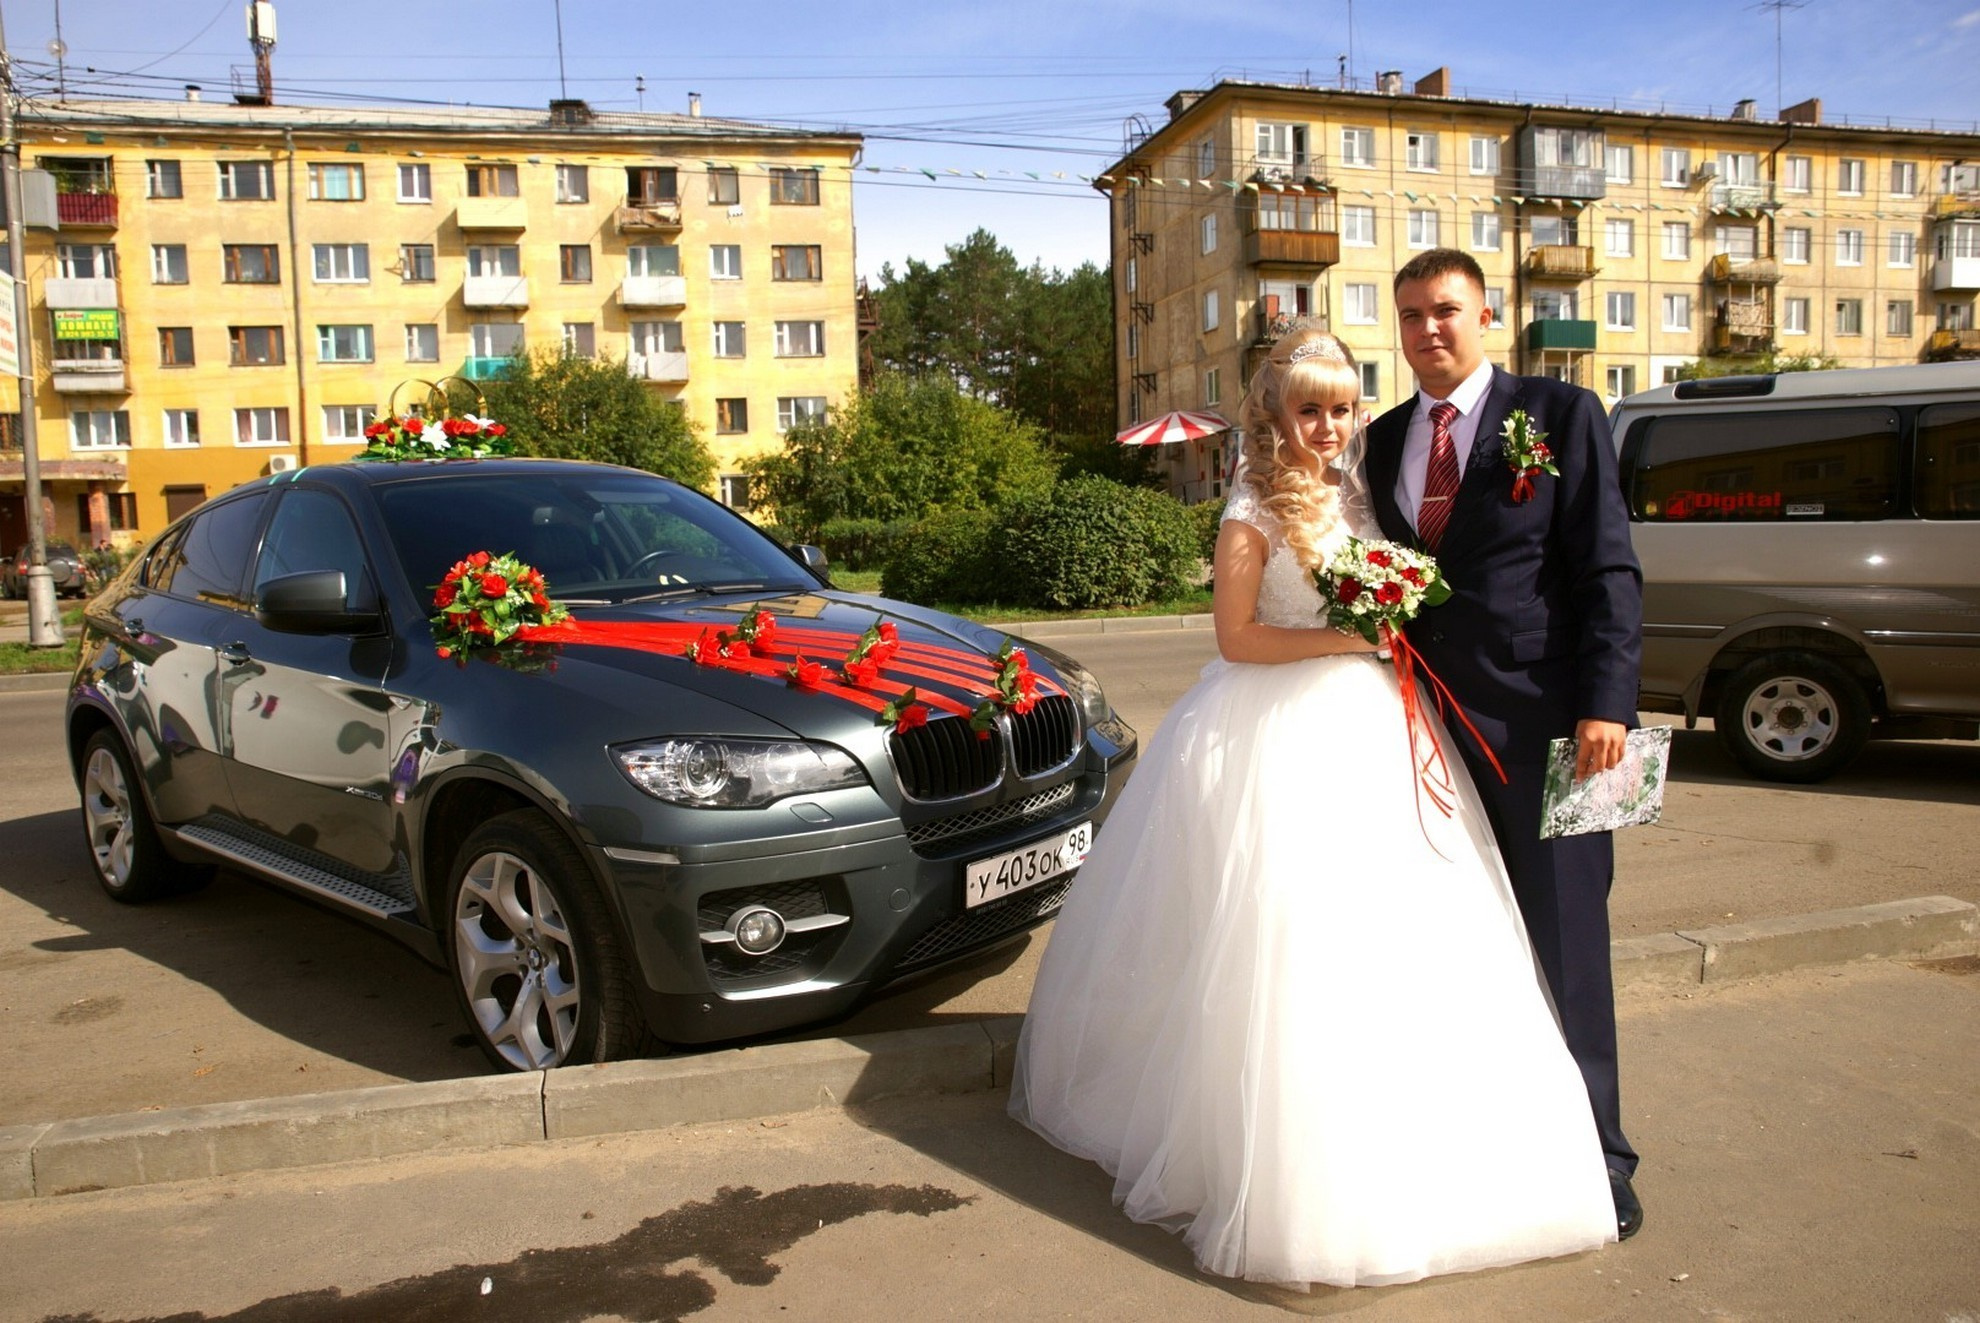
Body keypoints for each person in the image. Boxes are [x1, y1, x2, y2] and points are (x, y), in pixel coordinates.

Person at [1010, 328, 1617, 1288]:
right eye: (1310, 409)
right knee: (1292, 945)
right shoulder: (1250, 507)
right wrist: (1350, 640)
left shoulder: (1361, 492)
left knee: (1400, 936)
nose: (1330, 426)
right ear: (1275, 415)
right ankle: (1294, 1170)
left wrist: (1384, 626)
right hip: (1278, 731)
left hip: (1376, 724)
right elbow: (1239, 637)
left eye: (1342, 408)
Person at [1361, 248, 1646, 1240]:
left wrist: (1607, 705)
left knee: (1571, 956)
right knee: (1458, 957)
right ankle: (1484, 1151)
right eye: (1408, 315)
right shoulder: (1385, 437)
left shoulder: (1562, 417)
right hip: (1425, 743)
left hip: (1553, 732)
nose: (1426, 330)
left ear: (1486, 314)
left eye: (1444, 310)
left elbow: (1608, 570)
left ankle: (1602, 1163)